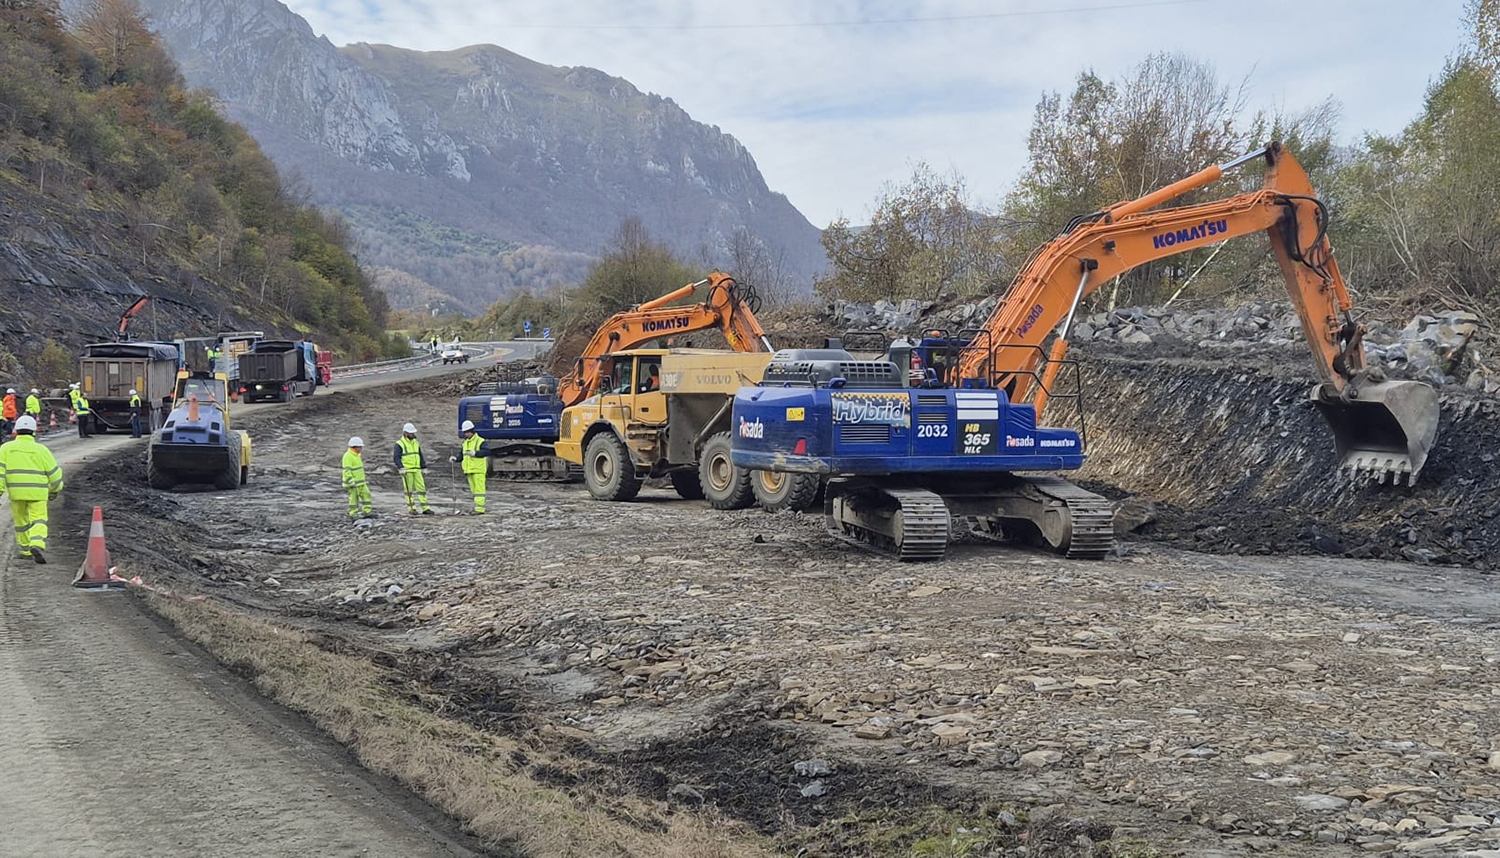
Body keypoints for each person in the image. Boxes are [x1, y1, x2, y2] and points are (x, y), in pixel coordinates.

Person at [0, 416, 63, 564]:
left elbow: (0, 473)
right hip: (38, 493)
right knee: (39, 519)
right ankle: (37, 544)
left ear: (16, 430)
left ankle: (25, 550)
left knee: (21, 522)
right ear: (34, 431)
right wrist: (55, 489)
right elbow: (54, 474)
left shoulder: (5, 449)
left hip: (16, 493)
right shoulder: (41, 450)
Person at [449, 420, 488, 515]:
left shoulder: (480, 441)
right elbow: (462, 455)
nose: (465, 434)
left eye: (467, 432)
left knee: (479, 491)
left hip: (478, 470)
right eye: (465, 433)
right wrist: (456, 459)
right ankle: (477, 507)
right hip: (469, 470)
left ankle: (480, 509)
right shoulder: (465, 443)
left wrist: (476, 453)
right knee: (475, 491)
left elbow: (487, 452)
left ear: (471, 431)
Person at [392, 422, 432, 515]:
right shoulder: (400, 444)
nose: (413, 435)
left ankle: (425, 508)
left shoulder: (415, 443)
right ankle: (412, 508)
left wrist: (423, 467)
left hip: (417, 469)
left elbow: (420, 455)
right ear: (405, 433)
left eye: (413, 433)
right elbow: (396, 457)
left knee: (421, 489)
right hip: (407, 471)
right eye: (411, 433)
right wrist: (401, 468)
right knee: (409, 491)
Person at [342, 437, 374, 520]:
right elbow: (347, 471)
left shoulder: (357, 455)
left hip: (361, 482)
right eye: (360, 447)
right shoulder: (348, 456)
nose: (361, 449)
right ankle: (353, 513)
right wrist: (350, 481)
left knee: (367, 495)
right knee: (354, 499)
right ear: (354, 447)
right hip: (353, 484)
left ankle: (367, 511)